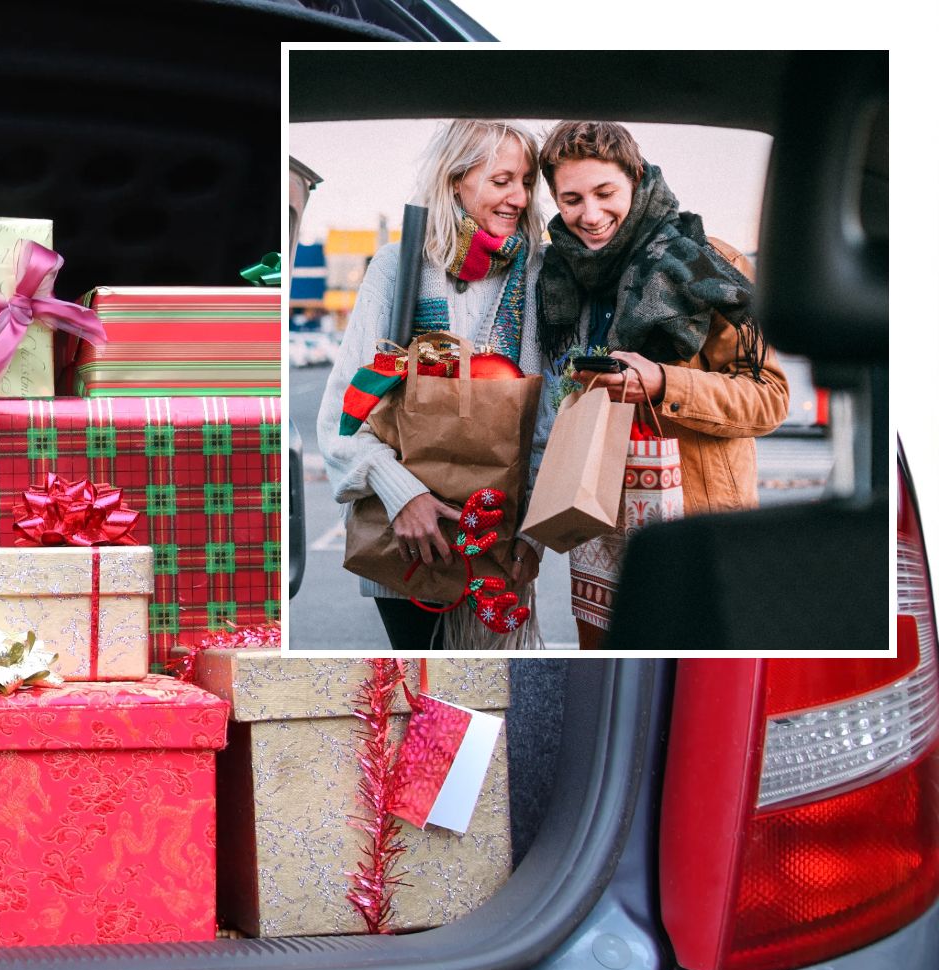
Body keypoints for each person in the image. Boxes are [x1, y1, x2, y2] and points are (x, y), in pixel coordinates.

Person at [535, 120, 790, 649]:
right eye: (572, 198)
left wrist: (662, 382)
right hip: (599, 532)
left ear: (636, 178)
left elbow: (769, 396)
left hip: (698, 530)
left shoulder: (709, 263)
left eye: (605, 193)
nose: (590, 215)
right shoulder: (563, 280)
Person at [316, 119, 549, 650]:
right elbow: (342, 416)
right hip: (404, 544)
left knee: (498, 692)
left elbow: (549, 417)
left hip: (501, 539)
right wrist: (403, 497)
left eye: (527, 181)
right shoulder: (399, 268)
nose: (519, 196)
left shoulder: (538, 275)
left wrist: (532, 536)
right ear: (454, 182)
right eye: (502, 180)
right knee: (423, 692)